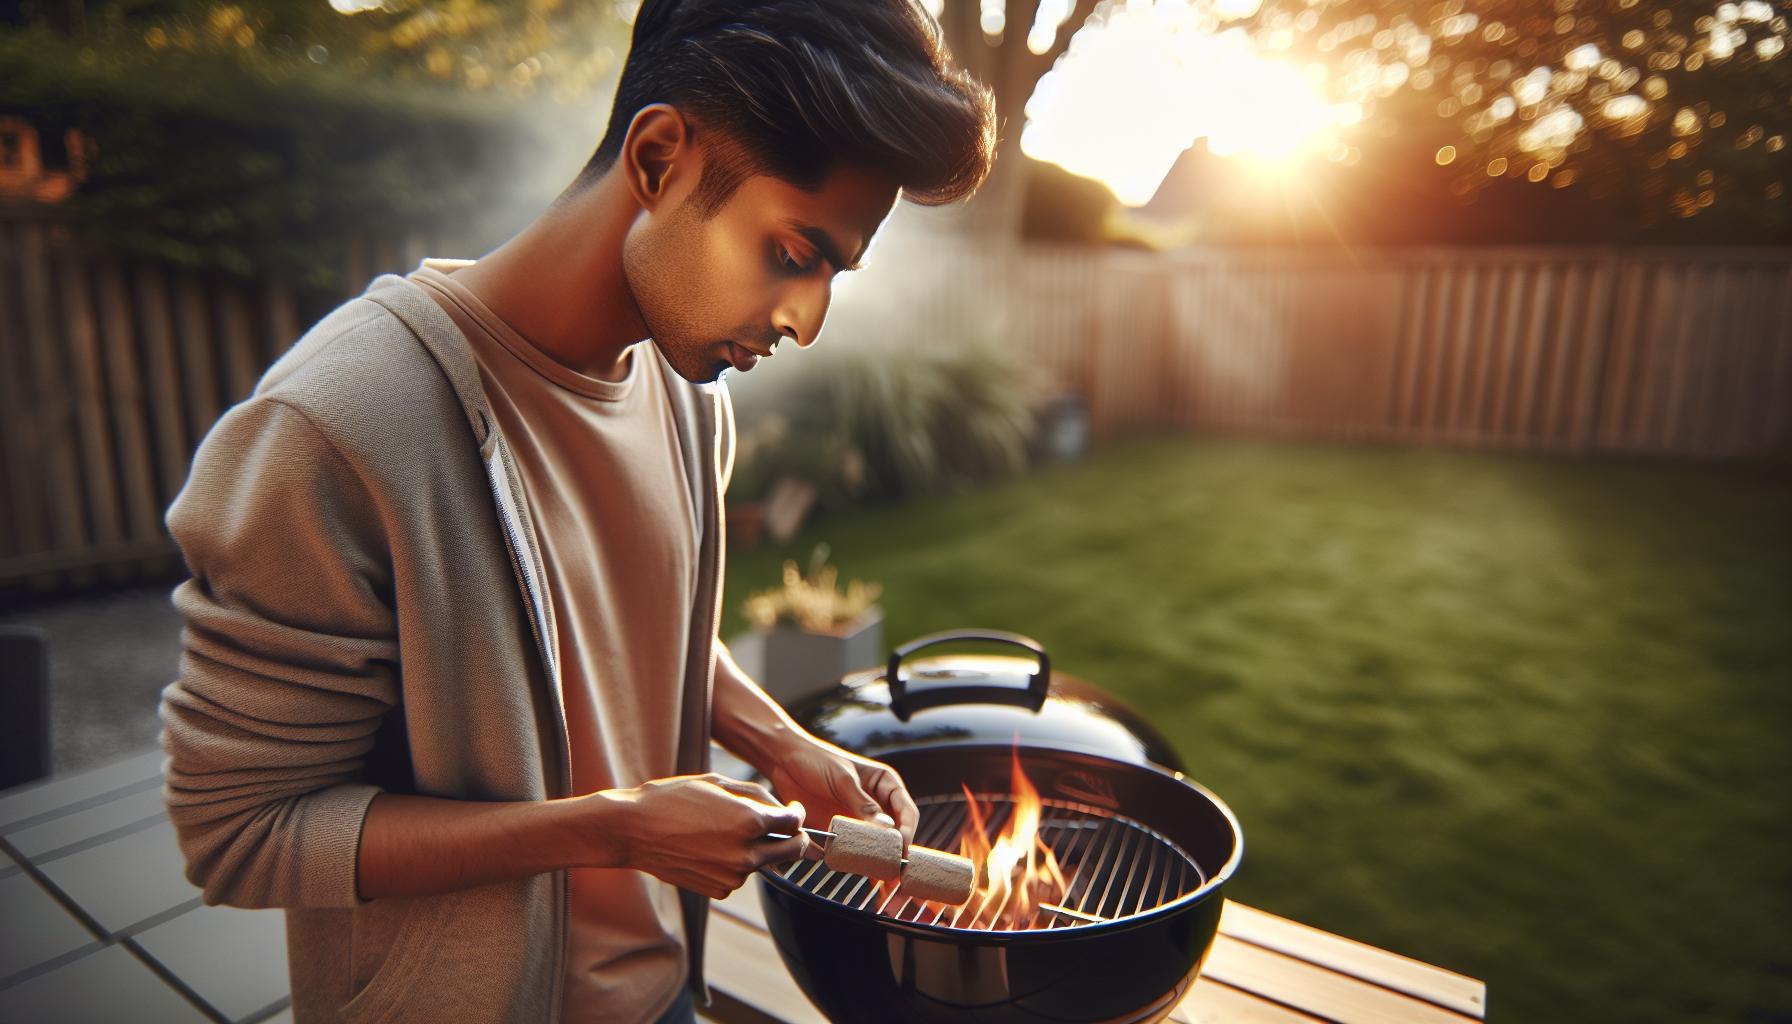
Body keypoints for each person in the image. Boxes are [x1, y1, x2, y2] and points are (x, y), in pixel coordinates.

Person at [155, 2, 996, 1022]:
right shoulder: (337, 429)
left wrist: (782, 742)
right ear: (657, 159)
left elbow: (620, 618)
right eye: (792, 252)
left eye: (832, 273)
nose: (805, 321)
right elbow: (243, 833)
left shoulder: (689, 400)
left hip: (663, 996)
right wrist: (613, 829)